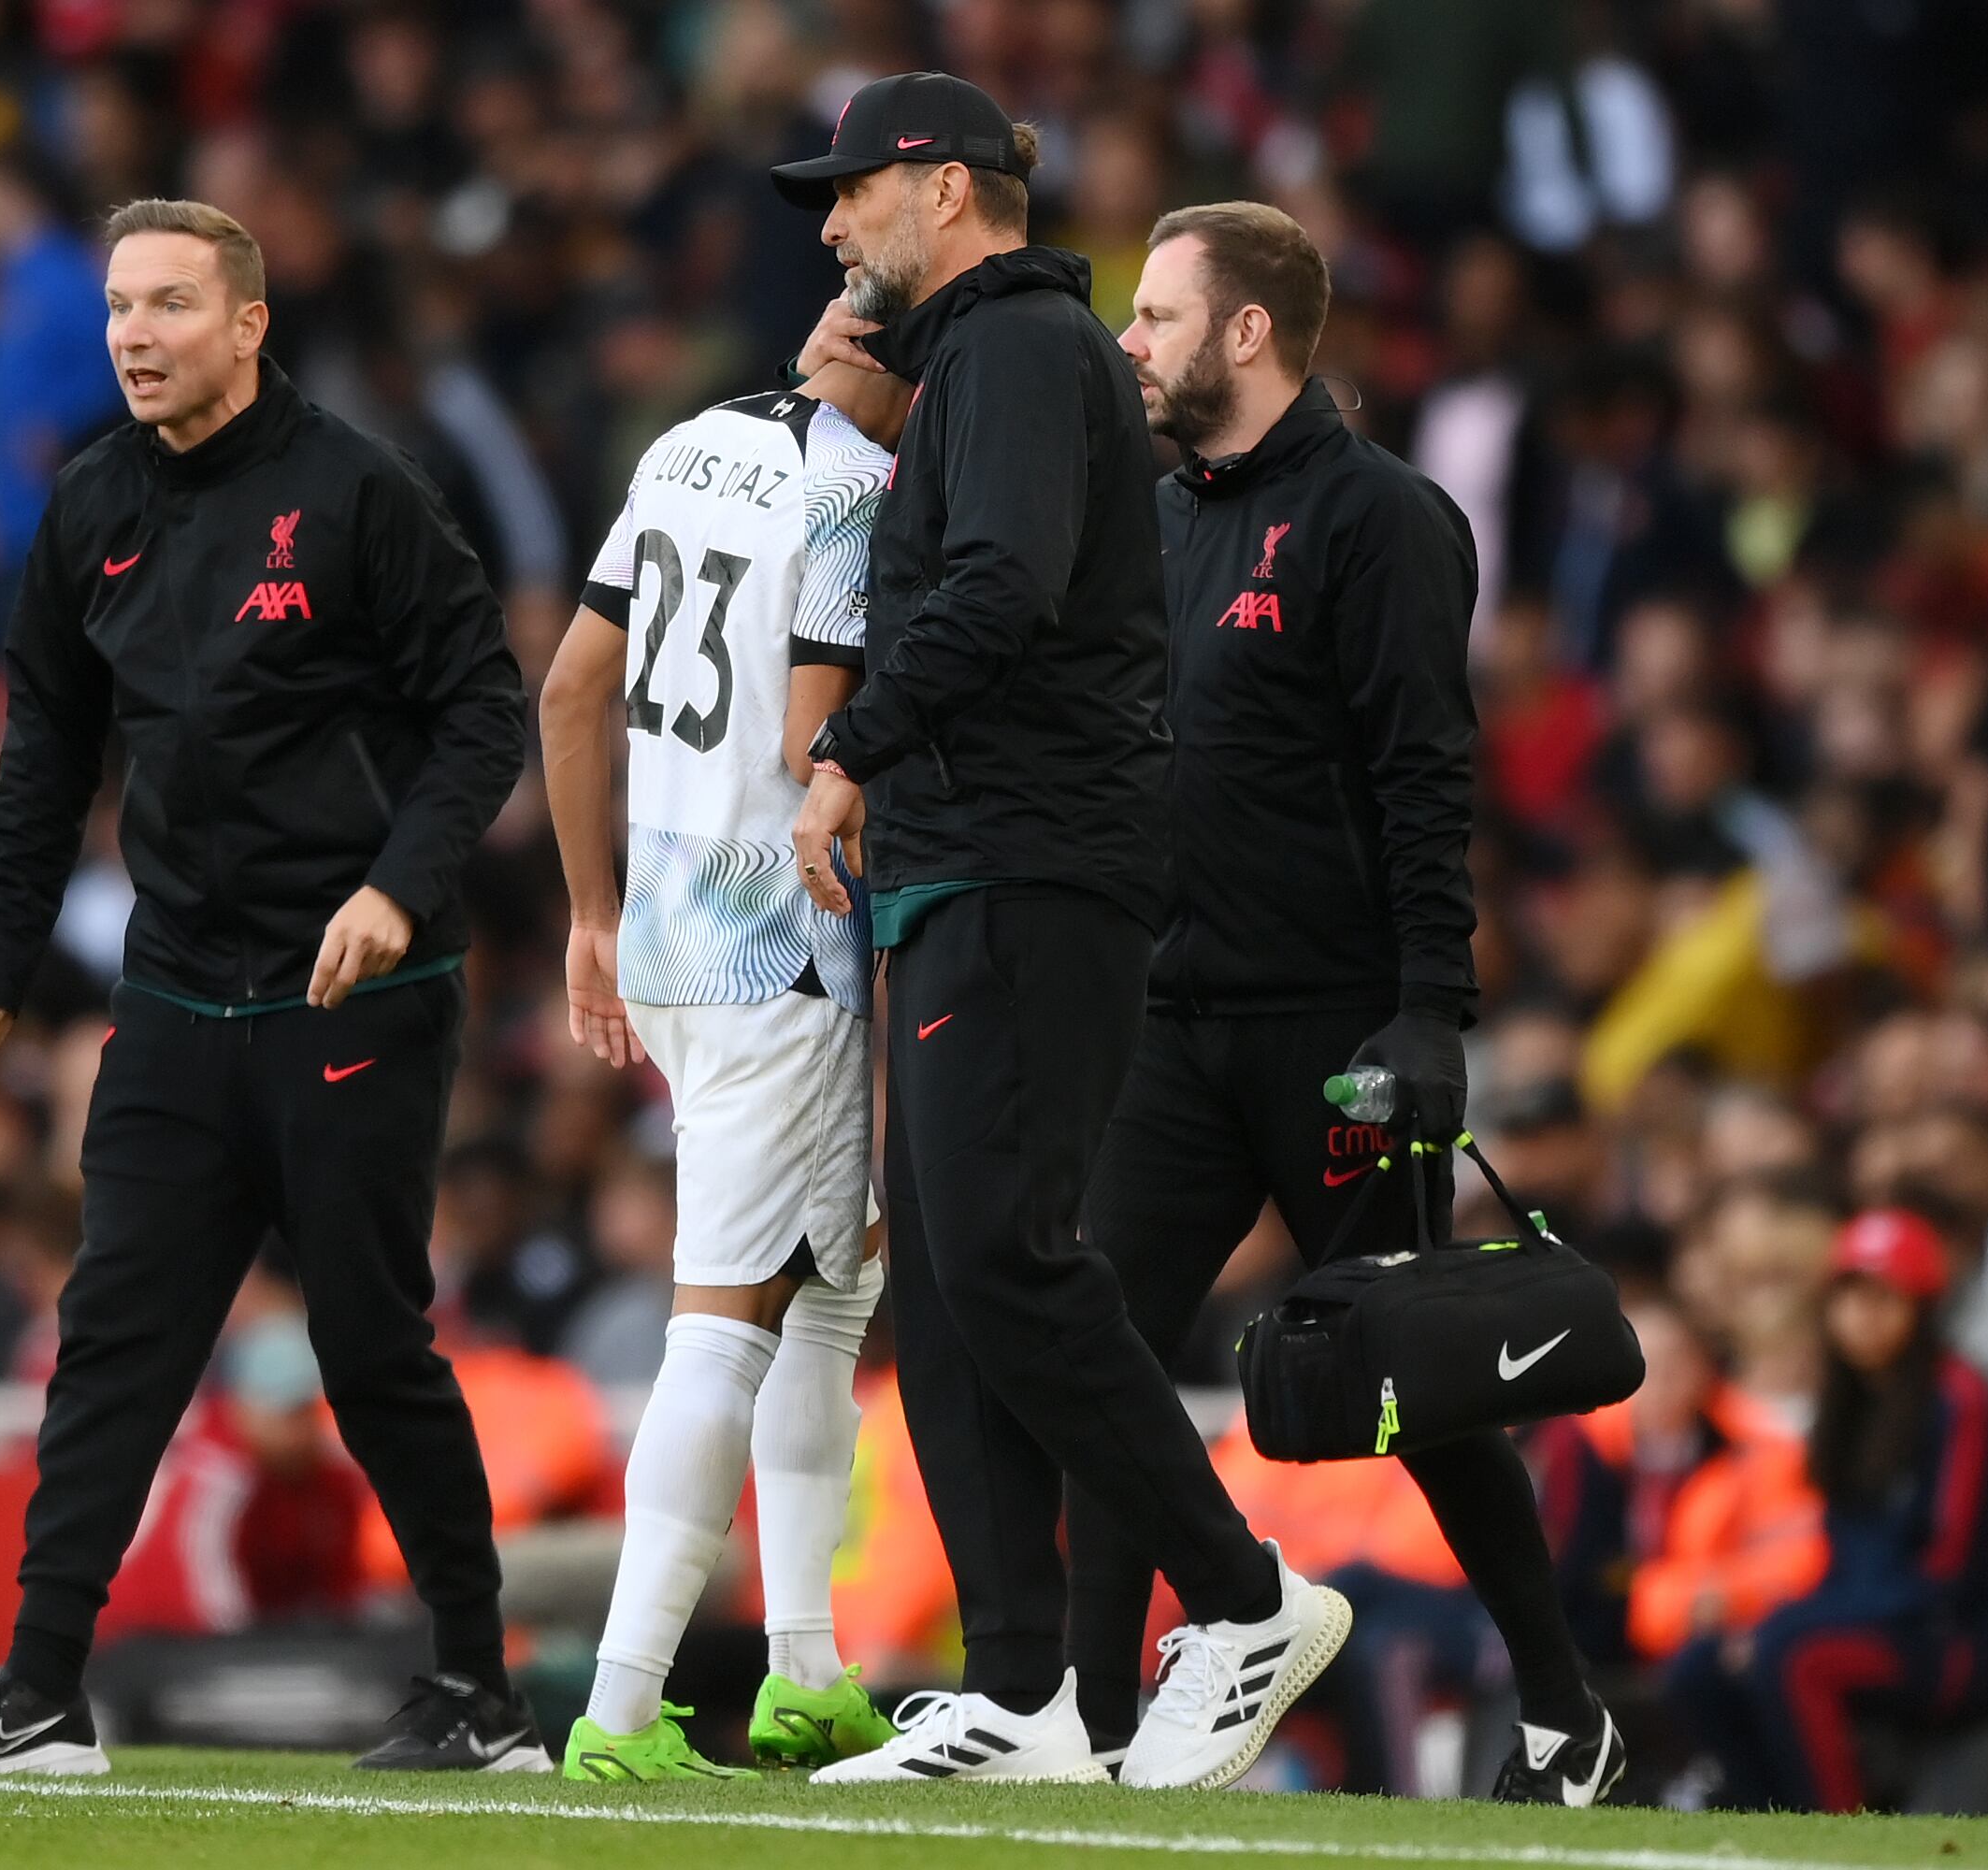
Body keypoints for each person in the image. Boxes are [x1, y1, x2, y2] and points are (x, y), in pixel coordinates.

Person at [0, 198, 532, 1777]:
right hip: (175, 991)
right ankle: (39, 1692)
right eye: (117, 308)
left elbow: (482, 714)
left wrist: (395, 889)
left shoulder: (358, 492)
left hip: (346, 989)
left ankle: (475, 1689)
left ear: (247, 324)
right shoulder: (89, 500)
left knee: (373, 1345)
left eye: (169, 305)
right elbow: (44, 755)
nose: (134, 335)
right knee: (115, 1338)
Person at [775, 74, 1336, 1791]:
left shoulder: (1016, 350)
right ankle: (1021, 1691)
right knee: (945, 1290)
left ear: (942, 188)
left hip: (1032, 869)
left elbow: (1003, 588)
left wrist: (849, 749)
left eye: (856, 189)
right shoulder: (981, 363)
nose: (831, 223)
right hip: (980, 865)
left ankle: (1244, 1598)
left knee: (1006, 1262)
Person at [1068, 198, 1621, 1805]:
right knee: (1093, 1337)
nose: (1133, 344)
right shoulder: (1160, 524)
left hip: (1335, 1035)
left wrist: (1429, 1013)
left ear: (1249, 331)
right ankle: (1094, 1726)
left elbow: (1424, 778)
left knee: (1412, 1388)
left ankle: (1562, 1710)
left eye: (1158, 316)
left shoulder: (1384, 518)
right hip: (1175, 1020)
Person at [538, 356, 908, 1779]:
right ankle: (621, 1713)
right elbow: (817, 742)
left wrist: (589, 910)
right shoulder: (853, 490)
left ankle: (804, 1669)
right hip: (782, 944)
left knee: (835, 1278)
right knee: (726, 1318)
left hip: (665, 921)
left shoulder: (688, 448)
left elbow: (573, 690)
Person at [1664, 1210, 1988, 1811]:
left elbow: (1950, 1569)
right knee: (1699, 1665)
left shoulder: (1962, 1399)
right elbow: (1841, 1554)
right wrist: (1787, 1616)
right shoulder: (1849, 1401)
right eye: (1849, 1297)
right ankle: (1762, 1816)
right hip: (1883, 1620)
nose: (1863, 1317)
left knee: (1795, 1656)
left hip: (1969, 1637)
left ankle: (1838, 1824)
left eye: (1883, 1298)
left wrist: (1795, 1624)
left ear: (1922, 1308)